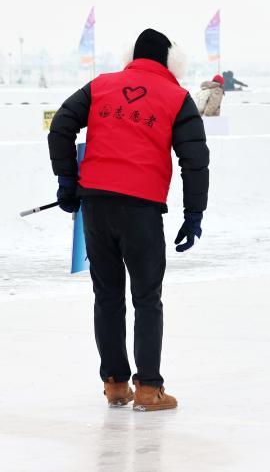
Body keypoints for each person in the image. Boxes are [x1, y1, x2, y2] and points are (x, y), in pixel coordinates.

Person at [47, 28, 210, 412]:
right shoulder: (177, 98)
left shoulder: (100, 86)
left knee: (106, 296)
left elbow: (60, 127)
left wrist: (68, 181)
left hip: (97, 207)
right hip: (141, 210)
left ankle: (116, 384)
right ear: (172, 63)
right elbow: (195, 161)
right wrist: (194, 213)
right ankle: (150, 389)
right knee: (146, 299)